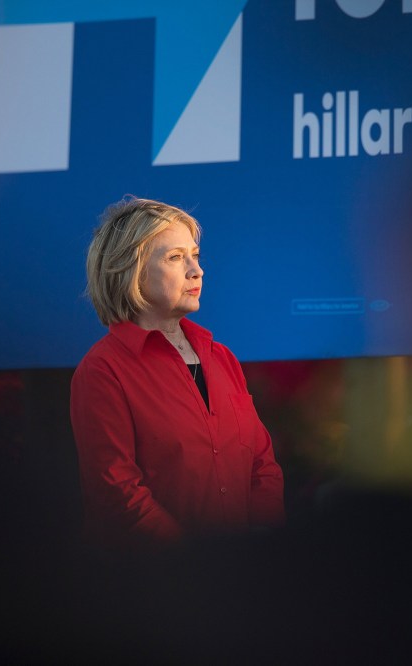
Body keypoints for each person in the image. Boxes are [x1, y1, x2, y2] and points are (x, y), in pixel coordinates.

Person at [70, 197, 285, 547]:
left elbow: (263, 463)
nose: (197, 270)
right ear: (130, 270)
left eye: (195, 256)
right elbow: (118, 493)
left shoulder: (222, 357)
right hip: (154, 575)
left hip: (242, 568)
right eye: (175, 257)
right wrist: (192, 560)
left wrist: (260, 542)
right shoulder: (102, 370)